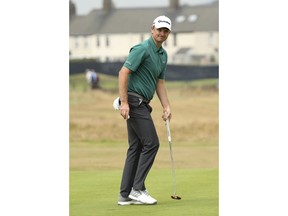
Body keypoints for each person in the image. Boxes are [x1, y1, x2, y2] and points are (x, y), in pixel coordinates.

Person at [117, 15, 172, 205]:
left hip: (143, 103)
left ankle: (125, 195)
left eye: (165, 31)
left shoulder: (163, 55)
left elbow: (160, 82)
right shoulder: (142, 49)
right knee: (152, 143)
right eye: (159, 29)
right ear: (152, 29)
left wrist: (166, 105)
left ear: (168, 33)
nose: (162, 33)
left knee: (136, 147)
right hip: (134, 102)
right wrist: (124, 102)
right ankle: (137, 189)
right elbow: (124, 72)